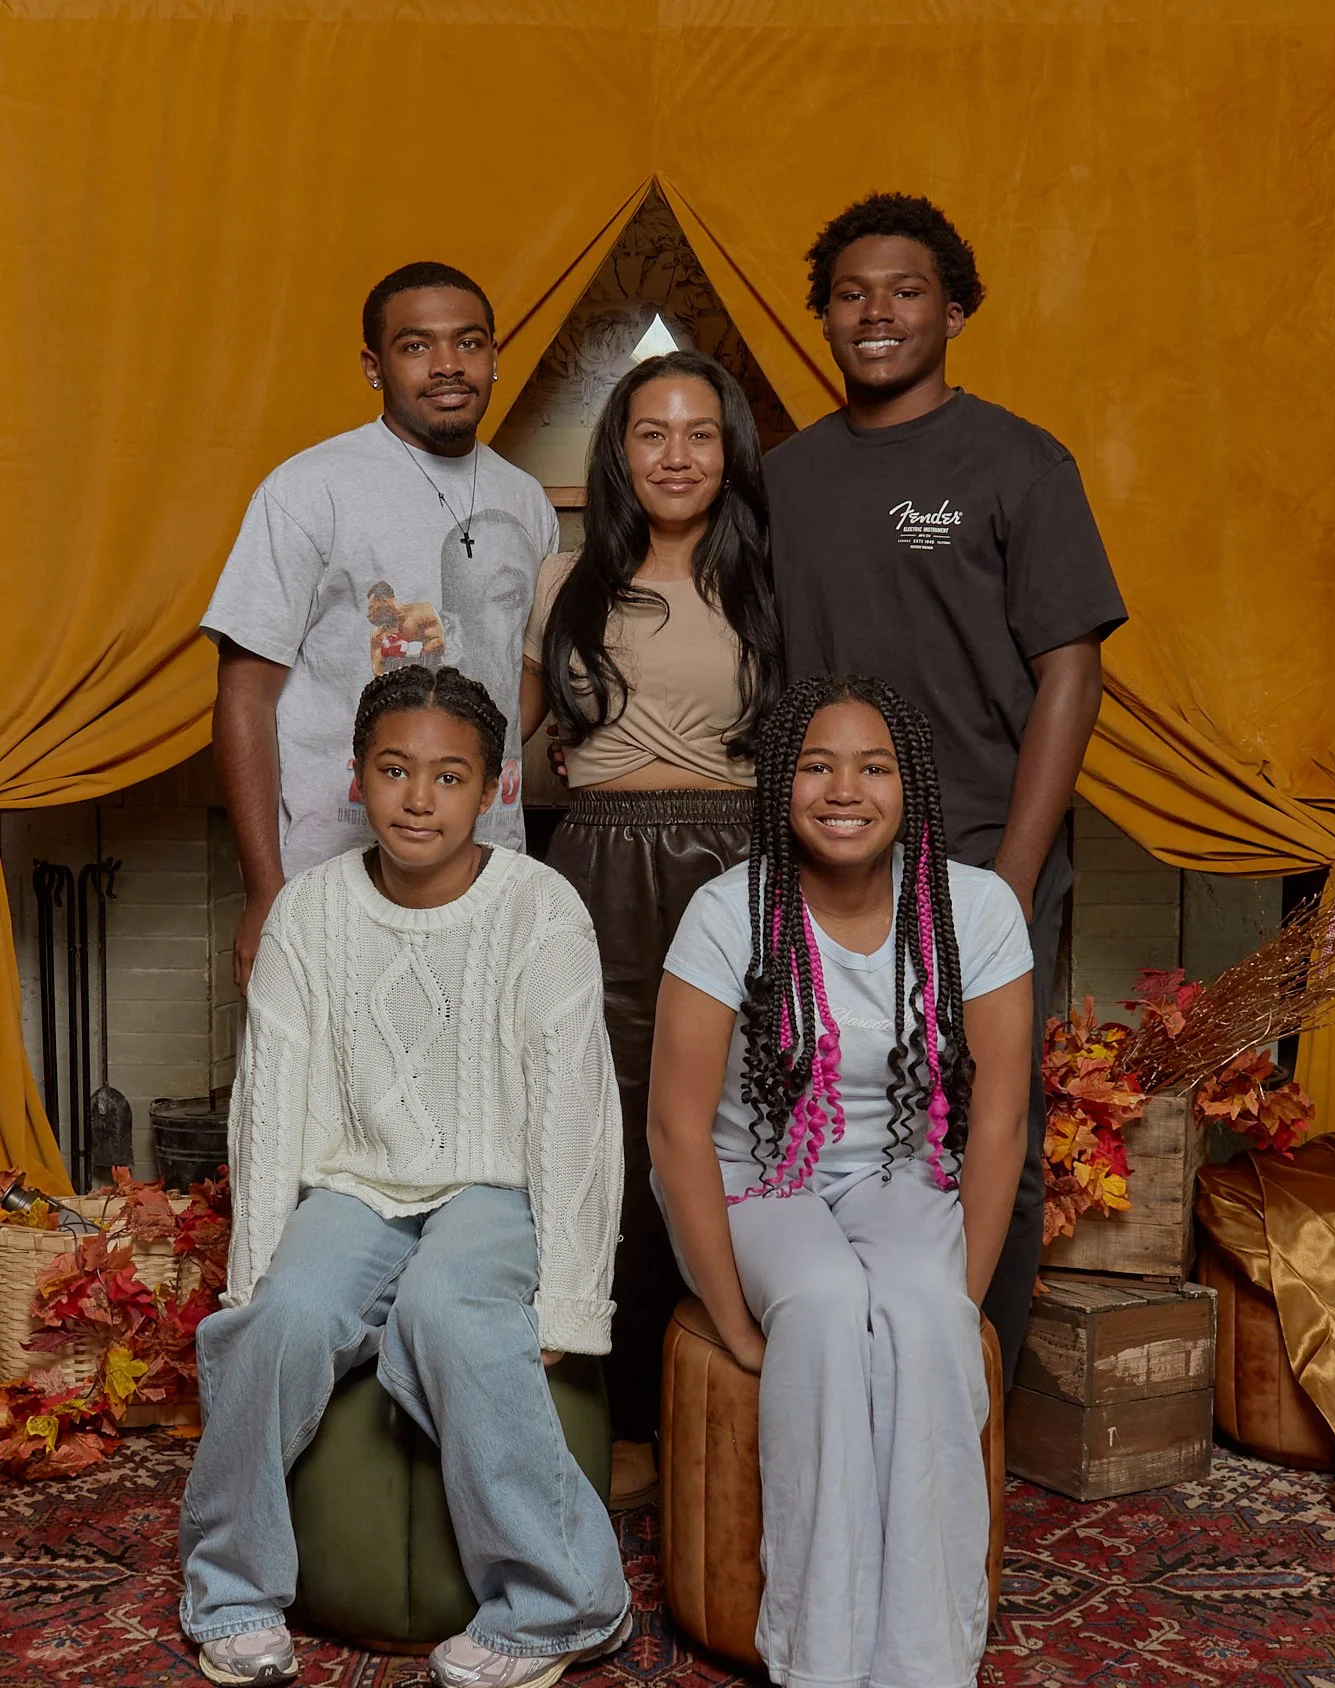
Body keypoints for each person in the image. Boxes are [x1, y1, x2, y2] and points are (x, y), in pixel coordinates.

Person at [178, 665, 629, 1688]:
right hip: (357, 1185)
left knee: (451, 1310)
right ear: (357, 777)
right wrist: (253, 1279)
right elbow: (268, 1105)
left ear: (493, 788)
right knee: (282, 1320)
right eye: (394, 770)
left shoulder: (542, 910)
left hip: (496, 1186)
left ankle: (564, 1603)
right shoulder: (308, 912)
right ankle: (233, 1591)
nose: (419, 799)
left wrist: (569, 1298)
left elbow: (577, 1115)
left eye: (449, 776)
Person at [761, 193, 1127, 1375]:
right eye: (851, 293)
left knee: (982, 1129)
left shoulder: (1020, 462)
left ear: (955, 311)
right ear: (824, 316)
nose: (877, 312)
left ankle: (975, 1395)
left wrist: (1008, 875)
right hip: (824, 855)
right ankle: (848, 1372)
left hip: (978, 844)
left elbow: (1071, 671)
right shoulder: (784, 477)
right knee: (828, 1118)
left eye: (906, 291)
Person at [649, 674, 1033, 1688]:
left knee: (920, 1313)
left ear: (912, 786)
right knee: (821, 1304)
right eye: (817, 765)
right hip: (759, 1178)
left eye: (874, 767)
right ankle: (817, 1654)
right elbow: (676, 1129)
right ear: (782, 780)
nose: (845, 790)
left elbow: (1000, 1122)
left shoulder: (977, 909)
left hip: (900, 1170)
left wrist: (960, 1297)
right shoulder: (728, 911)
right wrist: (736, 1326)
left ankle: (924, 1655)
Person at [519, 349, 781, 1505]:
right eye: (651, 433)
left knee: (739, 1127)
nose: (676, 455)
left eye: (700, 433)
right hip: (598, 866)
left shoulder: (772, 580)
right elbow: (495, 746)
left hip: (738, 863)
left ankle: (738, 1387)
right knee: (611, 1140)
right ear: (618, 452)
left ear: (730, 452)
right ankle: (624, 1415)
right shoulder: (560, 581)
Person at [203, 260, 558, 991]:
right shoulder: (309, 489)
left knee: (477, 1065)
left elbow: (524, 669)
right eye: (416, 345)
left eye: (468, 342)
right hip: (329, 880)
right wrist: (264, 890)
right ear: (374, 366)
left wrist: (466, 762)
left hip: (491, 874)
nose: (448, 364)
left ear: (494, 356)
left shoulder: (527, 502)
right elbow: (245, 697)